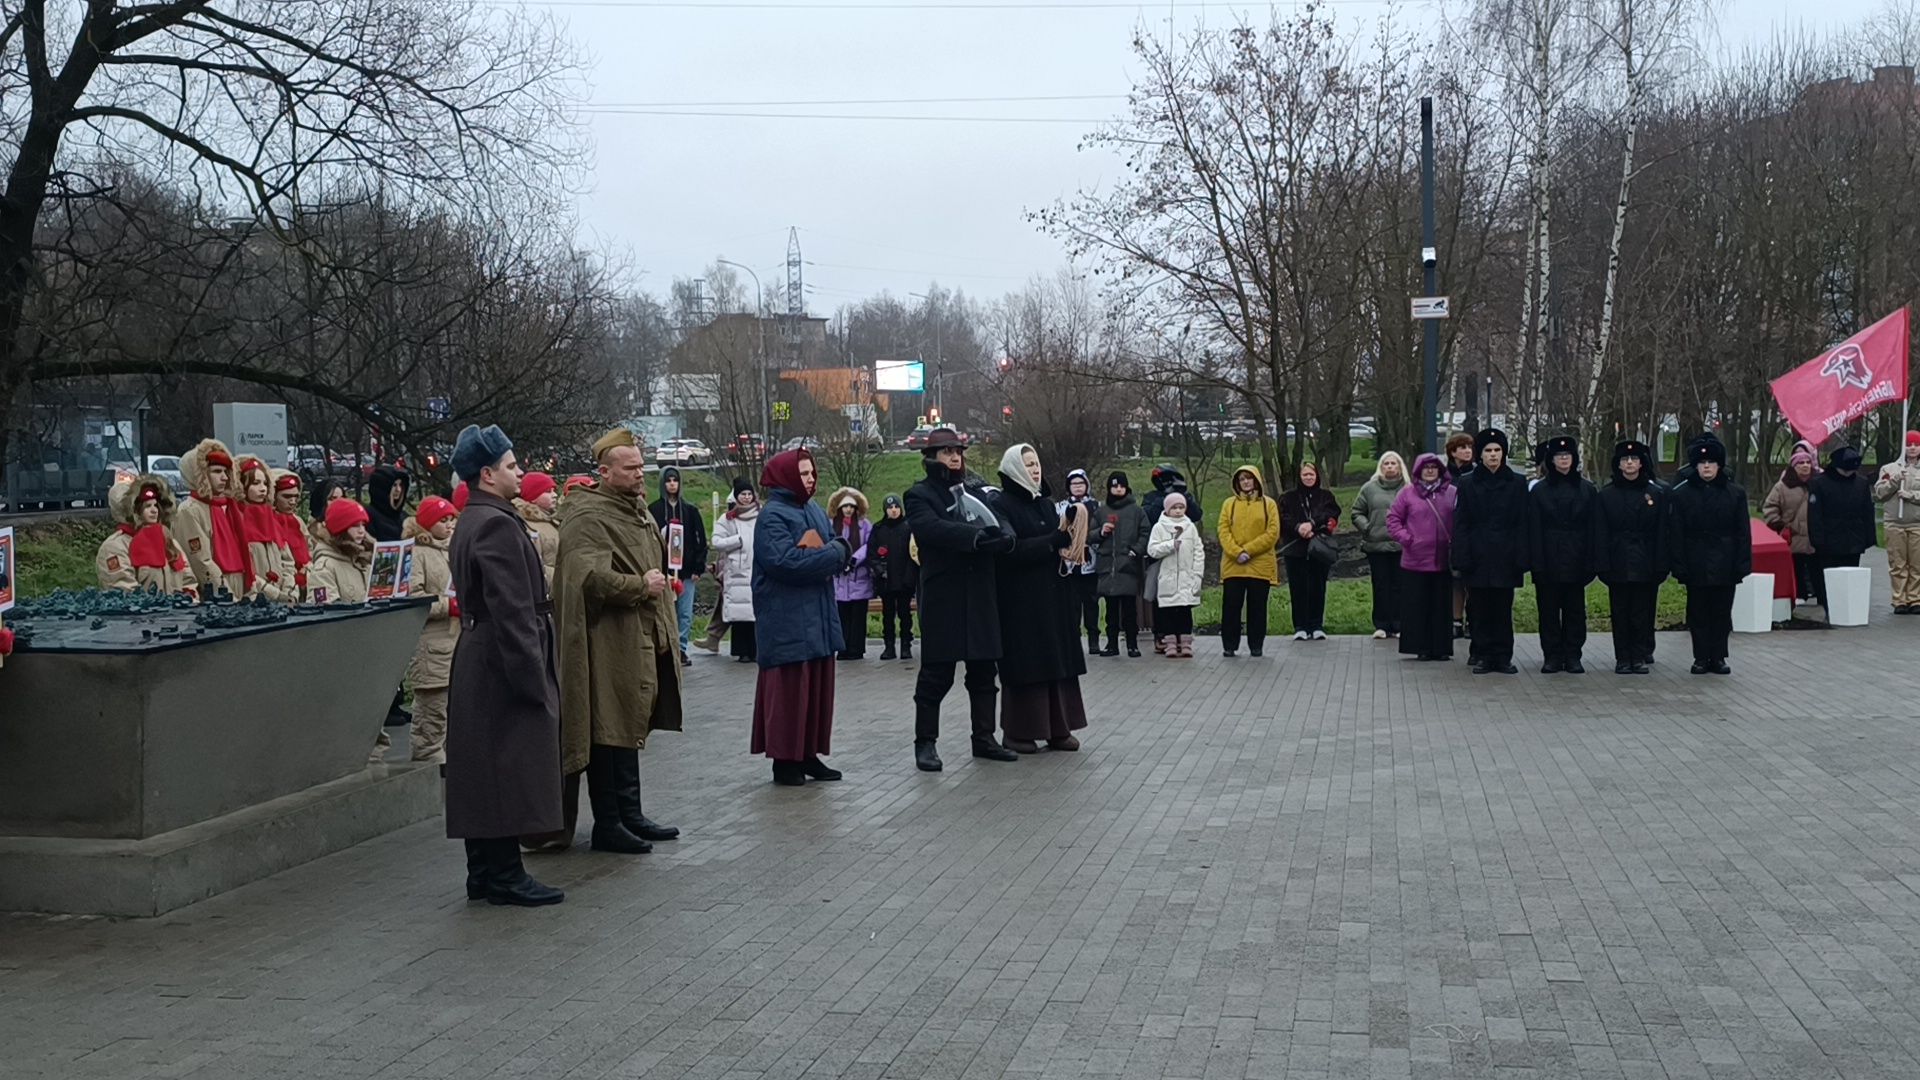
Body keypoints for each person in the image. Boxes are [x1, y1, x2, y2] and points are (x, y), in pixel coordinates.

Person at [542, 427, 684, 851]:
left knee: (629, 720)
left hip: (637, 633)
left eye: (641, 466)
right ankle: (608, 823)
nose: (641, 474)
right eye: (631, 468)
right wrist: (639, 586)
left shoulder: (634, 509)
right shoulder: (588, 517)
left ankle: (630, 814)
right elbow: (585, 578)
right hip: (604, 640)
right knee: (605, 725)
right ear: (605, 472)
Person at [443, 423, 565, 906]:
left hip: (480, 653)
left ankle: (483, 869)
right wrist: (534, 677)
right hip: (501, 658)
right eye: (512, 466)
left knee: (481, 765)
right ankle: (505, 873)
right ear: (488, 474)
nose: (521, 473)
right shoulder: (496, 524)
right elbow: (512, 609)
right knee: (507, 766)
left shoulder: (474, 517)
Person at [904, 427, 1020, 772]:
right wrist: (976, 538)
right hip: (944, 595)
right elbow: (931, 528)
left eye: (958, 451)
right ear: (931, 457)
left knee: (984, 671)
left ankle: (984, 738)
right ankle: (925, 743)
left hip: (979, 593)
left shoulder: (975, 490)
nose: (955, 457)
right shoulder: (919, 495)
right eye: (947, 452)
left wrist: (1005, 538)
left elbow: (1000, 520)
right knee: (936, 674)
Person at [751, 449, 853, 786]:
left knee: (815, 691)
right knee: (789, 694)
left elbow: (831, 544)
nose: (810, 479)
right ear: (786, 477)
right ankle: (785, 761)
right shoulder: (772, 517)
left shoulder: (813, 510)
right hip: (786, 621)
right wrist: (836, 553)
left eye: (812, 473)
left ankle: (808, 754)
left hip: (818, 616)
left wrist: (834, 550)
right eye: (803, 474)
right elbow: (786, 563)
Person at [988, 442, 1088, 751]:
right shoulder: (1001, 504)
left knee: (1057, 658)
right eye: (1028, 464)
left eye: (1036, 464)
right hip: (1021, 600)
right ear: (1014, 469)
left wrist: (1069, 534)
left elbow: (1057, 540)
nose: (1035, 469)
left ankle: (1058, 727)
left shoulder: (1044, 504)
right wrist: (1052, 541)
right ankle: (1019, 731)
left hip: (1053, 595)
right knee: (1028, 663)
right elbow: (1011, 549)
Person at [1666, 433, 1751, 675]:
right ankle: (1701, 657)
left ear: (1719, 465)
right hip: (1696, 560)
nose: (1706, 467)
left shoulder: (1735, 493)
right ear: (1695, 465)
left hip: (1725, 560)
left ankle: (1719, 656)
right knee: (1698, 612)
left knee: (1722, 612)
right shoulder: (1681, 494)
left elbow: (1743, 532)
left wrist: (1742, 563)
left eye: (1711, 462)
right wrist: (1679, 564)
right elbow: (1676, 532)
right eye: (1702, 463)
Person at [1451, 428, 1529, 675]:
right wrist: (1461, 556)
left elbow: (1523, 522)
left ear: (1503, 453)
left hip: (1506, 554)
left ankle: (1503, 656)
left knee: (1503, 608)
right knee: (1479, 608)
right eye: (1488, 450)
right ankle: (1482, 654)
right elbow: (1461, 522)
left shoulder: (1517, 482)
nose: (1493, 455)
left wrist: (1522, 556)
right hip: (1478, 554)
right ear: (1480, 454)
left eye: (1497, 450)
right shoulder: (1467, 482)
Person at [1592, 439, 1667, 675]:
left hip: (1645, 560)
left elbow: (1662, 532)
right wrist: (1602, 564)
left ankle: (1640, 655)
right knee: (1620, 612)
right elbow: (1600, 533)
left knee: (1641, 612)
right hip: (1618, 559)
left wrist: (1661, 564)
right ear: (1619, 464)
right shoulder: (1606, 495)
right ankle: (1623, 657)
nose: (1630, 463)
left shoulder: (1654, 493)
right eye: (1625, 459)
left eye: (1634, 459)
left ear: (1641, 463)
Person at [1524, 435, 1597, 673]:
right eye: (1558, 456)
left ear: (1574, 458)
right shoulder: (1539, 491)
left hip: (1577, 557)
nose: (1564, 459)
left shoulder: (1587, 489)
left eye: (1567, 455)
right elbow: (1533, 528)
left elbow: (1593, 528)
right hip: (1548, 557)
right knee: (1548, 611)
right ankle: (1552, 655)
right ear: (1551, 460)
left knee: (1575, 611)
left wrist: (1591, 561)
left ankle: (1573, 655)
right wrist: (1536, 562)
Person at [405, 496, 461, 763]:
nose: (449, 525)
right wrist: (448, 605)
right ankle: (428, 763)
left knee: (454, 711)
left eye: (452, 519)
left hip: (456, 640)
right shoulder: (417, 553)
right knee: (432, 712)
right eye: (442, 520)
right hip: (431, 645)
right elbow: (412, 597)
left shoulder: (454, 549)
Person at [1387, 453, 1456, 661]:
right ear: (1419, 470)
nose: (1430, 471)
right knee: (1417, 606)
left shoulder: (1452, 492)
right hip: (1415, 561)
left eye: (1434, 467)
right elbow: (1393, 519)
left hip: (1443, 560)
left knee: (1441, 606)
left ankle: (1441, 648)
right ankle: (1421, 647)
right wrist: (1407, 539)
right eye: (1426, 467)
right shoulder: (1407, 493)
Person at [96, 475, 197, 597]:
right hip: (147, 610)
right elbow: (125, 593)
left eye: (156, 505)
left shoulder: (169, 542)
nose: (154, 510)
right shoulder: (115, 548)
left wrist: (189, 602)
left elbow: (188, 582)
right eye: (147, 506)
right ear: (134, 510)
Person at [1216, 465, 1280, 656]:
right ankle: (1229, 646)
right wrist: (1236, 552)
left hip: (1260, 565)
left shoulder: (1269, 504)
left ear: (1256, 480)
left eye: (1249, 478)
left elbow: (1272, 532)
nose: (1245, 482)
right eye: (1242, 479)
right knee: (1231, 607)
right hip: (1233, 565)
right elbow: (1223, 531)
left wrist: (1249, 551)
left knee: (1257, 607)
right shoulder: (1229, 504)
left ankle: (1256, 645)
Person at [1807, 445, 1877, 617]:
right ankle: (1830, 608)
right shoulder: (1819, 483)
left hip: (1854, 539)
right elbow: (1814, 515)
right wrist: (1817, 540)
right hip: (1828, 540)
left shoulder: (1861, 483)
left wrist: (1869, 538)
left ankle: (1848, 610)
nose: (1849, 473)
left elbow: (1868, 512)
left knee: (1850, 577)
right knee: (1828, 578)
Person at [649, 466, 709, 665]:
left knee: (684, 612)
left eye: (675, 480)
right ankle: (668, 648)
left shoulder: (690, 511)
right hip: (664, 571)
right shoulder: (654, 510)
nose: (672, 484)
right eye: (668, 480)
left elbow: (700, 540)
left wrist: (698, 567)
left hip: (687, 571)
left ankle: (681, 648)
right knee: (667, 611)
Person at [174, 438, 248, 600]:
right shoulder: (189, 510)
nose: (225, 478)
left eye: (226, 472)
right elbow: (202, 561)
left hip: (238, 581)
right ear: (200, 474)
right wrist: (228, 597)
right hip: (216, 591)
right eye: (216, 471)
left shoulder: (227, 507)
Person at [1141, 465, 1201, 653]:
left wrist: (1183, 496)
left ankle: (1183, 638)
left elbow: (1196, 514)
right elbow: (1148, 515)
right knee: (1161, 599)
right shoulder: (1151, 498)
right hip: (1160, 558)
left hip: (1183, 559)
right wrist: (1164, 499)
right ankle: (1162, 635)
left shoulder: (1183, 499)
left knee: (1183, 601)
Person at [1279, 461, 1340, 641]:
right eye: (1305, 474)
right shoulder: (1287, 497)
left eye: (1311, 474)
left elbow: (1332, 514)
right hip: (1295, 549)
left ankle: (1316, 625)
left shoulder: (1326, 496)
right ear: (1299, 477)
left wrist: (1313, 524)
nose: (1308, 477)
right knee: (1297, 588)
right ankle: (1300, 626)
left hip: (1318, 547)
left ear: (1317, 476)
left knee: (1318, 587)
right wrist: (1298, 527)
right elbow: (1283, 518)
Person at [1352, 453, 1407, 640]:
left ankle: (1399, 624)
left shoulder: (1409, 489)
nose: (1390, 466)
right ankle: (1381, 624)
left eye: (1393, 463)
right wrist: (1367, 527)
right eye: (1386, 463)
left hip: (1401, 546)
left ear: (1399, 466)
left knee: (1400, 586)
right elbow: (1357, 512)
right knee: (1381, 586)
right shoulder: (1369, 488)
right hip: (1376, 545)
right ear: (1381, 467)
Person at [1093, 471, 1148, 657]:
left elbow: (1145, 533)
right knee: (1111, 611)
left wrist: (1136, 550)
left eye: (1121, 486)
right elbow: (1089, 535)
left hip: (1128, 565)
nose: (1118, 489)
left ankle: (1132, 644)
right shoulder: (1101, 511)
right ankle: (1112, 644)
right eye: (1115, 486)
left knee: (1129, 610)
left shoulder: (1137, 511)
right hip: (1108, 567)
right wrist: (1101, 532)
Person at [706, 477, 761, 662]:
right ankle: (742, 651)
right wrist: (737, 541)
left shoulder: (761, 515)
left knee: (755, 612)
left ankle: (755, 650)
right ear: (737, 496)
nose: (746, 497)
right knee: (740, 614)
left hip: (756, 568)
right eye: (743, 494)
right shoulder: (728, 518)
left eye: (749, 494)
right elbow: (716, 542)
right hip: (737, 571)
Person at [1874, 431, 1920, 614]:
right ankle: (1899, 599)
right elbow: (1880, 493)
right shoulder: (1890, 469)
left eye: (1916, 444)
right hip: (1894, 524)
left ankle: (1915, 598)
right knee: (1897, 564)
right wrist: (1895, 481)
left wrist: (1912, 495)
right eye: (1909, 444)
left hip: (1917, 523)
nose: (1912, 448)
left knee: (1917, 565)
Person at [1762, 451, 1817, 603]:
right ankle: (1799, 594)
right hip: (1793, 537)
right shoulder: (1782, 486)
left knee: (1816, 568)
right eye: (1801, 463)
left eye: (1808, 462)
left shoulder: (1818, 483)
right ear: (1793, 466)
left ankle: (1820, 596)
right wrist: (1780, 525)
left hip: (1815, 537)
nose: (1805, 465)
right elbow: (1770, 507)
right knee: (1796, 568)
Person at [827, 487, 875, 660]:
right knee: (842, 616)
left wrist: (854, 560)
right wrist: (838, 560)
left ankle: (856, 649)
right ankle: (843, 648)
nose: (848, 510)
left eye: (851, 507)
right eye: (845, 506)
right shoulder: (832, 525)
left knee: (858, 617)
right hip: (839, 579)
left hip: (858, 577)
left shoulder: (865, 525)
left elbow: (870, 545)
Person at [1057, 470, 1102, 653]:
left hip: (1090, 562)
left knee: (1091, 603)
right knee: (1072, 605)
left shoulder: (1096, 506)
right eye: (1074, 484)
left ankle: (1094, 640)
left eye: (1080, 483)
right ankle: (1073, 642)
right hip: (1069, 563)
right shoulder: (1061, 507)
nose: (1077, 487)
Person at [233, 456, 289, 602]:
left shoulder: (272, 520)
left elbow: (287, 560)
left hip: (282, 598)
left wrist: (289, 590)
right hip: (253, 599)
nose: (263, 489)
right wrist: (273, 593)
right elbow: (243, 567)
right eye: (256, 483)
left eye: (265, 483)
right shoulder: (235, 520)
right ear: (242, 486)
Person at [869, 493, 918, 659]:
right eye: (890, 507)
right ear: (885, 510)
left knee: (905, 614)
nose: (894, 510)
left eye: (897, 507)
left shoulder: (909, 527)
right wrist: (878, 570)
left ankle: (906, 645)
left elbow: (914, 554)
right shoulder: (878, 529)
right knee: (887, 615)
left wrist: (910, 576)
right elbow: (872, 553)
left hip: (904, 580)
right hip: (886, 580)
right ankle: (889, 646)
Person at [308, 498, 373, 606]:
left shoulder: (365, 560)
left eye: (363, 525)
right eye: (355, 525)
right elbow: (326, 611)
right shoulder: (325, 567)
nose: (361, 530)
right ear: (340, 528)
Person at [1444, 432, 1476, 638]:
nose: (1467, 451)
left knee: (1471, 581)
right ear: (1452, 452)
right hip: (1449, 534)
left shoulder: (1476, 474)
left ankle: (1473, 620)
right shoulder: (1444, 477)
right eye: (1462, 447)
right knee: (1455, 581)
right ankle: (1456, 620)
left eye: (1470, 447)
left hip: (1471, 534)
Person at [515, 472, 561, 589]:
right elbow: (535, 565)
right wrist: (562, 580)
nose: (555, 495)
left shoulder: (553, 520)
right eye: (548, 491)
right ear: (533, 497)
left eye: (554, 490)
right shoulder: (528, 527)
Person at [271, 471, 311, 602]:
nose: (293, 502)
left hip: (305, 582)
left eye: (296, 496)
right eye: (286, 496)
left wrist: (307, 569)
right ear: (273, 496)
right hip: (282, 586)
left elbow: (309, 549)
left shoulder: (298, 521)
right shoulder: (268, 522)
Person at [366, 465, 411, 543]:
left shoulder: (404, 516)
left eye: (400, 485)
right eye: (394, 485)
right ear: (382, 488)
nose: (398, 489)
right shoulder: (368, 517)